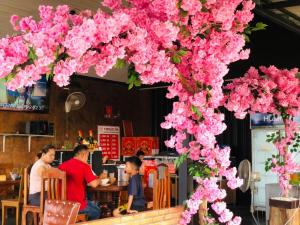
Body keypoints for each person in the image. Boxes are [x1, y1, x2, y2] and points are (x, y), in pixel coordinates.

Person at [58, 145, 102, 220]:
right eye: (87, 156)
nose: (87, 159)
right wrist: (100, 179)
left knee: (94, 204)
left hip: (61, 204)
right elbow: (94, 184)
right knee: (97, 212)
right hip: (76, 205)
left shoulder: (62, 165)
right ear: (83, 155)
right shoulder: (84, 166)